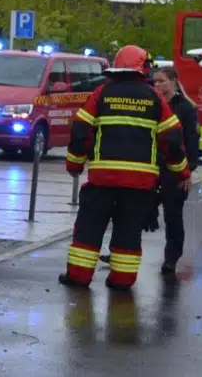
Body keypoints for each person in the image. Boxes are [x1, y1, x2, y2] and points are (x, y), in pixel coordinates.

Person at [60, 45, 189, 291]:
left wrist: (74, 163)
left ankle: (78, 277)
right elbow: (172, 139)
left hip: (102, 180)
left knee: (89, 228)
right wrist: (181, 170)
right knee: (129, 232)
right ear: (143, 67)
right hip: (140, 185)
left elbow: (80, 129)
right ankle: (122, 280)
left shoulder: (102, 93)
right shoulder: (155, 97)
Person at [150, 66, 202, 275]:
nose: (157, 85)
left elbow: (191, 140)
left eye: (161, 81)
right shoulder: (151, 103)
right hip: (152, 167)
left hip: (175, 169)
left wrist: (187, 171)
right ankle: (122, 251)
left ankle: (172, 258)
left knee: (173, 215)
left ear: (173, 81)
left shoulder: (186, 107)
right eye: (154, 82)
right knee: (137, 210)